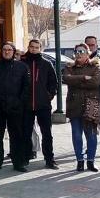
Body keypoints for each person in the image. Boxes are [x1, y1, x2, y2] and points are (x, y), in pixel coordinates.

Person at [0, 42, 30, 172]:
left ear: (13, 52)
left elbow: (26, 87)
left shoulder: (22, 67)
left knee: (16, 136)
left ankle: (18, 163)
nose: (6, 52)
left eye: (9, 50)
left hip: (15, 107)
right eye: (4, 49)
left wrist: (20, 102)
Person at [62, 43, 100, 172]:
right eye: (77, 52)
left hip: (91, 104)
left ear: (88, 53)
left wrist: (76, 81)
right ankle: (80, 161)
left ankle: (91, 161)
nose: (79, 54)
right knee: (77, 135)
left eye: (82, 51)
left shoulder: (95, 67)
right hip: (74, 105)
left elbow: (95, 82)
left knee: (91, 135)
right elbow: (66, 79)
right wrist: (84, 78)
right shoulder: (70, 67)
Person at [21, 39, 59, 169]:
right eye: (31, 47)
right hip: (26, 105)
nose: (33, 49)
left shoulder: (46, 64)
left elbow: (54, 83)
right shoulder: (22, 63)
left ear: (40, 49)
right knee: (25, 132)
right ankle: (25, 157)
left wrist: (49, 95)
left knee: (47, 133)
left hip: (43, 105)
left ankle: (49, 159)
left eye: (36, 47)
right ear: (28, 47)